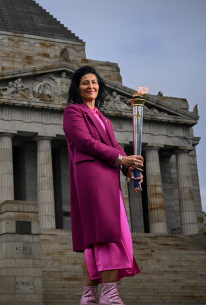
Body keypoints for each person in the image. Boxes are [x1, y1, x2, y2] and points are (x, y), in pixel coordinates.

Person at [63, 65, 143, 305]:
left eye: (94, 82)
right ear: (77, 87)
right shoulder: (73, 112)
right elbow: (84, 141)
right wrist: (119, 159)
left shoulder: (103, 118)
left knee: (97, 238)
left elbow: (114, 145)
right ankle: (109, 293)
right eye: (85, 83)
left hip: (108, 177)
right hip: (91, 176)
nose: (91, 87)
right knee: (106, 234)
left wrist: (128, 165)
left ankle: (89, 297)